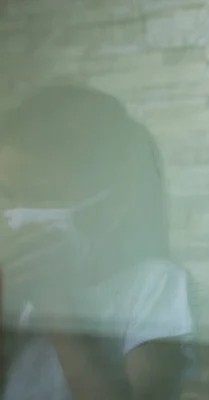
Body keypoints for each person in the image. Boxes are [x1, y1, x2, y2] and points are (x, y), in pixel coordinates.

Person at [0, 85, 195, 400]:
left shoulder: (155, 285)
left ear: (112, 203)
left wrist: (55, 299)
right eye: (8, 195)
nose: (17, 214)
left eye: (39, 194)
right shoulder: (18, 288)